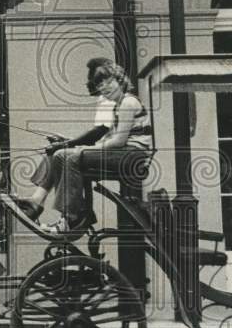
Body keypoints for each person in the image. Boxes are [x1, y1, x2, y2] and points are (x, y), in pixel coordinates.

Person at [20, 61, 152, 233]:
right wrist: (73, 144)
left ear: (120, 79)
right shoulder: (119, 106)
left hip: (132, 155)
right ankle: (52, 207)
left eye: (108, 81)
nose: (104, 87)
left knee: (68, 155)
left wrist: (81, 149)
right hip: (126, 153)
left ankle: (72, 217)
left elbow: (118, 141)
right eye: (100, 84)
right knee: (61, 154)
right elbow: (110, 141)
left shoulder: (128, 103)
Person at [20, 57, 116, 220]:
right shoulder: (106, 99)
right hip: (104, 149)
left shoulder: (108, 99)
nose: (87, 83)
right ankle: (37, 201)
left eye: (90, 79)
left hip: (111, 153)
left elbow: (99, 132)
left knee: (62, 154)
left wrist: (65, 143)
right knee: (58, 150)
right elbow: (96, 137)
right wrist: (64, 140)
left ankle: (71, 214)